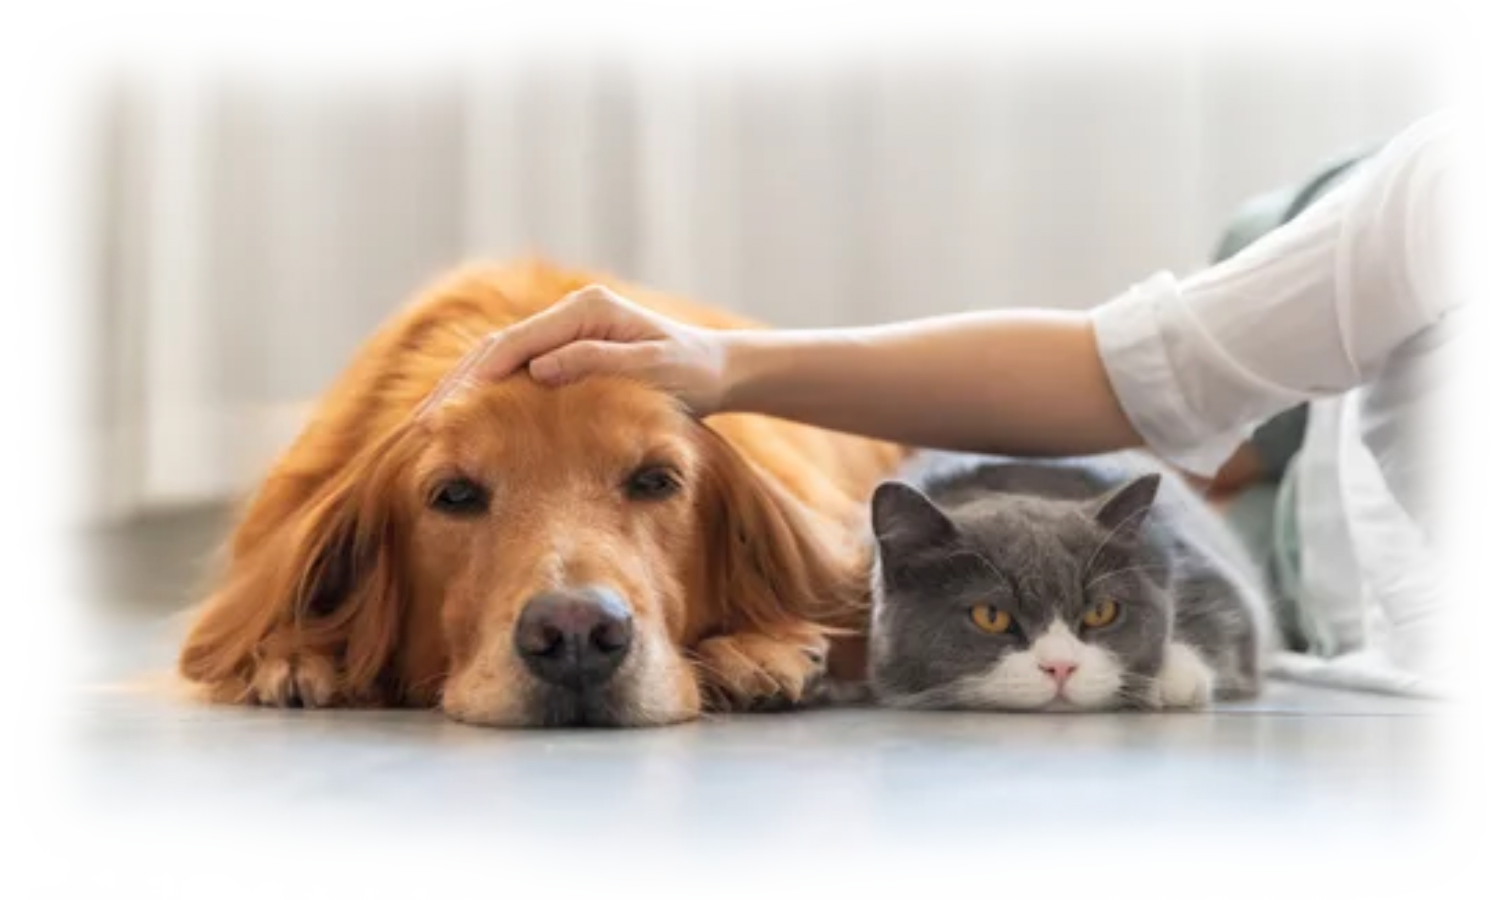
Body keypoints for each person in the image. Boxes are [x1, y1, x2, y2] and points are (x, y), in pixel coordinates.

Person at [433, 104, 1488, 700]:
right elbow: (1127, 372)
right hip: (1328, 499)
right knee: (1160, 493)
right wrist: (724, 364)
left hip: (1327, 556)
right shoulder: (1466, 177)